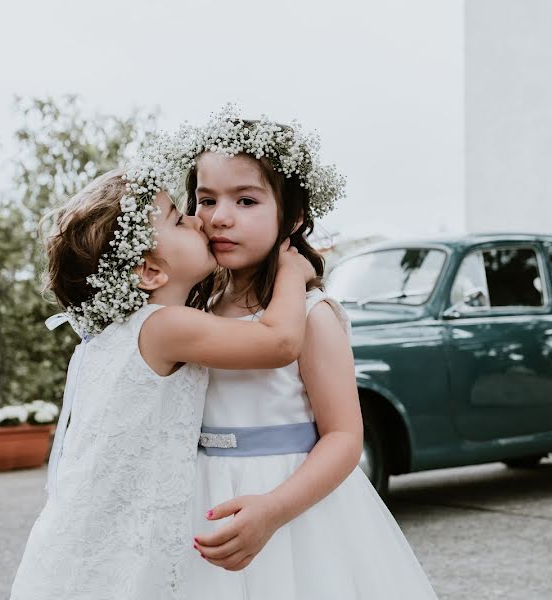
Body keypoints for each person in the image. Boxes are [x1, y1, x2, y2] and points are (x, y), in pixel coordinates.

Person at [9, 160, 315, 600]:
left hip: (94, 536)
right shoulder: (165, 327)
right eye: (177, 218)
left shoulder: (122, 333)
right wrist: (292, 271)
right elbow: (280, 342)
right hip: (122, 547)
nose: (197, 218)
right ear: (151, 272)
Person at [183, 108, 438, 599]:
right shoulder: (197, 306)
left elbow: (344, 436)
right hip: (203, 501)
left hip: (291, 507)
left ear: (293, 217)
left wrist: (274, 510)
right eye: (206, 199)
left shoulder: (311, 314)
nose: (220, 216)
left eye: (247, 200)